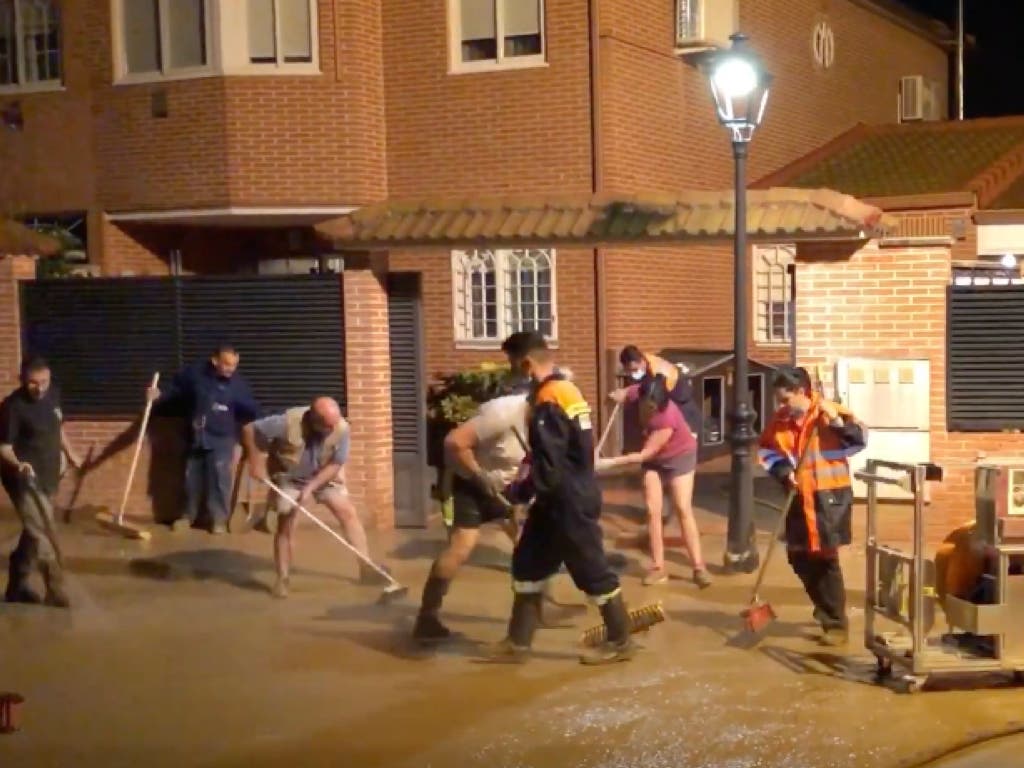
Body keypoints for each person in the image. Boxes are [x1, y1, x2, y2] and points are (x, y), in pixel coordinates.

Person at [486, 331, 636, 665]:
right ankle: (517, 642)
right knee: (527, 565)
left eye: (512, 363)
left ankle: (620, 640)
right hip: (558, 499)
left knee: (591, 570)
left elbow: (550, 465)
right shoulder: (566, 390)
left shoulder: (549, 399)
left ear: (526, 363)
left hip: (566, 499)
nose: (511, 371)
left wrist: (519, 491)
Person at [413, 367, 581, 644]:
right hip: (471, 481)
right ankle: (427, 617)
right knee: (461, 546)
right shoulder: (502, 414)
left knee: (531, 544)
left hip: (508, 485)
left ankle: (540, 606)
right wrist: (479, 477)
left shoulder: (554, 419)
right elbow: (454, 443)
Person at [757, 366, 866, 645]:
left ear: (801, 392)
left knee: (825, 559)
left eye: (785, 400)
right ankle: (825, 607)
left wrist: (838, 424)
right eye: (778, 400)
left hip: (828, 498)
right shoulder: (780, 420)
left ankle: (836, 624)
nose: (780, 406)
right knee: (798, 556)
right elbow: (767, 450)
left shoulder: (828, 412)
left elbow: (859, 440)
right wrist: (783, 471)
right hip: (797, 495)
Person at [241, 396, 389, 598]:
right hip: (290, 476)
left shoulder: (341, 428)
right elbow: (249, 429)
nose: (332, 429)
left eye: (334, 424)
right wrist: (255, 461)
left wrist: (311, 488)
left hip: (324, 474)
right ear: (314, 419)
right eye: (327, 426)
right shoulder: (287, 422)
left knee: (347, 512)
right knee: (287, 523)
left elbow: (336, 464)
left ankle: (366, 567)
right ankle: (282, 578)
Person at [597, 375, 711, 589]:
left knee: (682, 508)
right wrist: (617, 396)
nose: (649, 410)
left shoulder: (666, 419)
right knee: (652, 510)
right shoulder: (640, 392)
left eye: (653, 407)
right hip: (654, 462)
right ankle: (658, 568)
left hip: (679, 457)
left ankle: (699, 567)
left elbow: (644, 455)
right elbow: (629, 391)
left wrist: (608, 462)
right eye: (646, 405)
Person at [148, 343, 260, 534]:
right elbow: (175, 391)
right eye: (226, 364)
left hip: (222, 439)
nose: (230, 369)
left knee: (219, 480)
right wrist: (158, 396)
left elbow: (251, 412)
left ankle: (218, 520)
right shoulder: (195, 376)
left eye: (234, 365)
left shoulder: (238, 386)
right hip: (196, 435)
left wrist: (250, 446)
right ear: (215, 360)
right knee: (191, 479)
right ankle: (187, 517)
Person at [1, 357, 82, 607]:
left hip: (48, 475)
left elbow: (58, 428)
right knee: (42, 533)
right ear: (23, 380)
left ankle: (16, 586)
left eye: (44, 382)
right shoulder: (12, 407)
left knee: (32, 531)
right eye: (33, 383)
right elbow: (4, 447)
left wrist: (70, 453)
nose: (40, 388)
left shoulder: (53, 395)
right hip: (22, 479)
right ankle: (56, 589)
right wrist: (18, 464)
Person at [609, 345, 702, 436]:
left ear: (641, 361)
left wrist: (626, 393)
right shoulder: (646, 360)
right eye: (629, 371)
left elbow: (650, 399)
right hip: (672, 396)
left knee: (685, 436)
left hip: (680, 400)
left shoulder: (657, 372)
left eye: (634, 369)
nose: (632, 373)